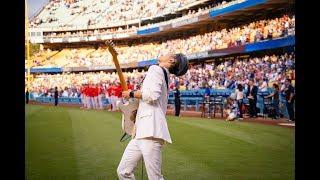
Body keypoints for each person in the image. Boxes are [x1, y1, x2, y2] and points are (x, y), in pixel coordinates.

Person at [117, 53, 188, 180]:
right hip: (141, 131)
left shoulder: (156, 69)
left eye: (169, 54)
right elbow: (150, 97)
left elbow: (152, 95)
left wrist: (131, 93)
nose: (164, 53)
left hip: (150, 131)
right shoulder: (163, 73)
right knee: (123, 171)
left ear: (171, 60)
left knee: (154, 177)